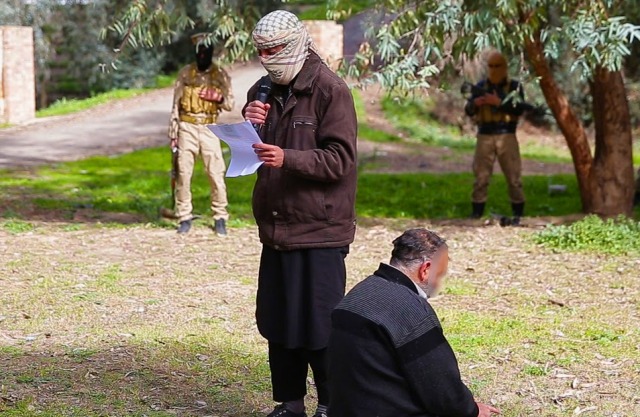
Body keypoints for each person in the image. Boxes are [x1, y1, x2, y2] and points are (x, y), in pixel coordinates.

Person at [242, 10, 358, 417]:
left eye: (273, 50)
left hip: (320, 229)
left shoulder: (330, 90)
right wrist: (250, 120)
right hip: (276, 226)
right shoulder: (264, 87)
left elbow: (340, 160)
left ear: (294, 45)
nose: (267, 59)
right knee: (278, 320)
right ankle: (289, 403)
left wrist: (287, 158)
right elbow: (253, 142)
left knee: (320, 325)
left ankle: (330, 403)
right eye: (261, 52)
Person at [328, 228, 501, 417]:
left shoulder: (357, 295)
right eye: (440, 274)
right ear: (426, 269)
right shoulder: (410, 310)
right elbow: (441, 388)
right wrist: (471, 410)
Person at [168, 33, 234, 235]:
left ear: (212, 52)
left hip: (209, 127)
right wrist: (173, 133)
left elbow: (230, 104)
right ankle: (184, 216)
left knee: (215, 173)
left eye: (207, 51)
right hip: (187, 127)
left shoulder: (220, 75)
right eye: (200, 51)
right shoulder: (186, 74)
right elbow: (175, 105)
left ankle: (220, 216)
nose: (203, 55)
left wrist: (218, 97)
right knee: (183, 174)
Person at [465, 51, 526, 224]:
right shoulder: (480, 86)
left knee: (513, 177)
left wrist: (498, 102)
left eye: (497, 66)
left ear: (505, 67)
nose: (494, 70)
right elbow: (469, 110)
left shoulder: (515, 87)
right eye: (491, 66)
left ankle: (518, 214)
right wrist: (474, 104)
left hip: (507, 134)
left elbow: (519, 109)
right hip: (484, 134)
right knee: (481, 176)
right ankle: (476, 212)